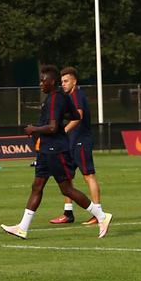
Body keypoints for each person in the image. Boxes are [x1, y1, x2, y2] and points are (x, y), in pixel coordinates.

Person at [1, 66, 111, 240]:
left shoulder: (55, 99)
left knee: (67, 189)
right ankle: (22, 227)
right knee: (37, 186)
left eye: (43, 80)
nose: (40, 84)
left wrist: (34, 129)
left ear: (51, 82)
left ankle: (101, 216)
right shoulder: (59, 98)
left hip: (56, 149)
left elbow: (52, 127)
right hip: (47, 149)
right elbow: (75, 116)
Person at [50, 67, 102, 224]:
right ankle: (68, 213)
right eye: (62, 82)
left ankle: (98, 213)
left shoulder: (77, 94)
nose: (63, 84)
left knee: (88, 175)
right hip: (70, 142)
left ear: (74, 81)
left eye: (66, 81)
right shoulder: (67, 98)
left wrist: (63, 131)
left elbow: (79, 116)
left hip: (81, 141)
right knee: (66, 178)